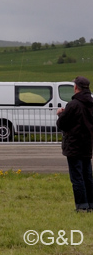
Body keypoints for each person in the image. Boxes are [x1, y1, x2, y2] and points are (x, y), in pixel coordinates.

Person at [56, 75, 93, 212]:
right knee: (87, 176)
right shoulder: (91, 104)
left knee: (77, 177)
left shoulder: (73, 105)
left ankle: (82, 206)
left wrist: (60, 114)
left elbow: (62, 124)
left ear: (76, 87)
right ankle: (90, 204)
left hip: (74, 145)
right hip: (87, 145)